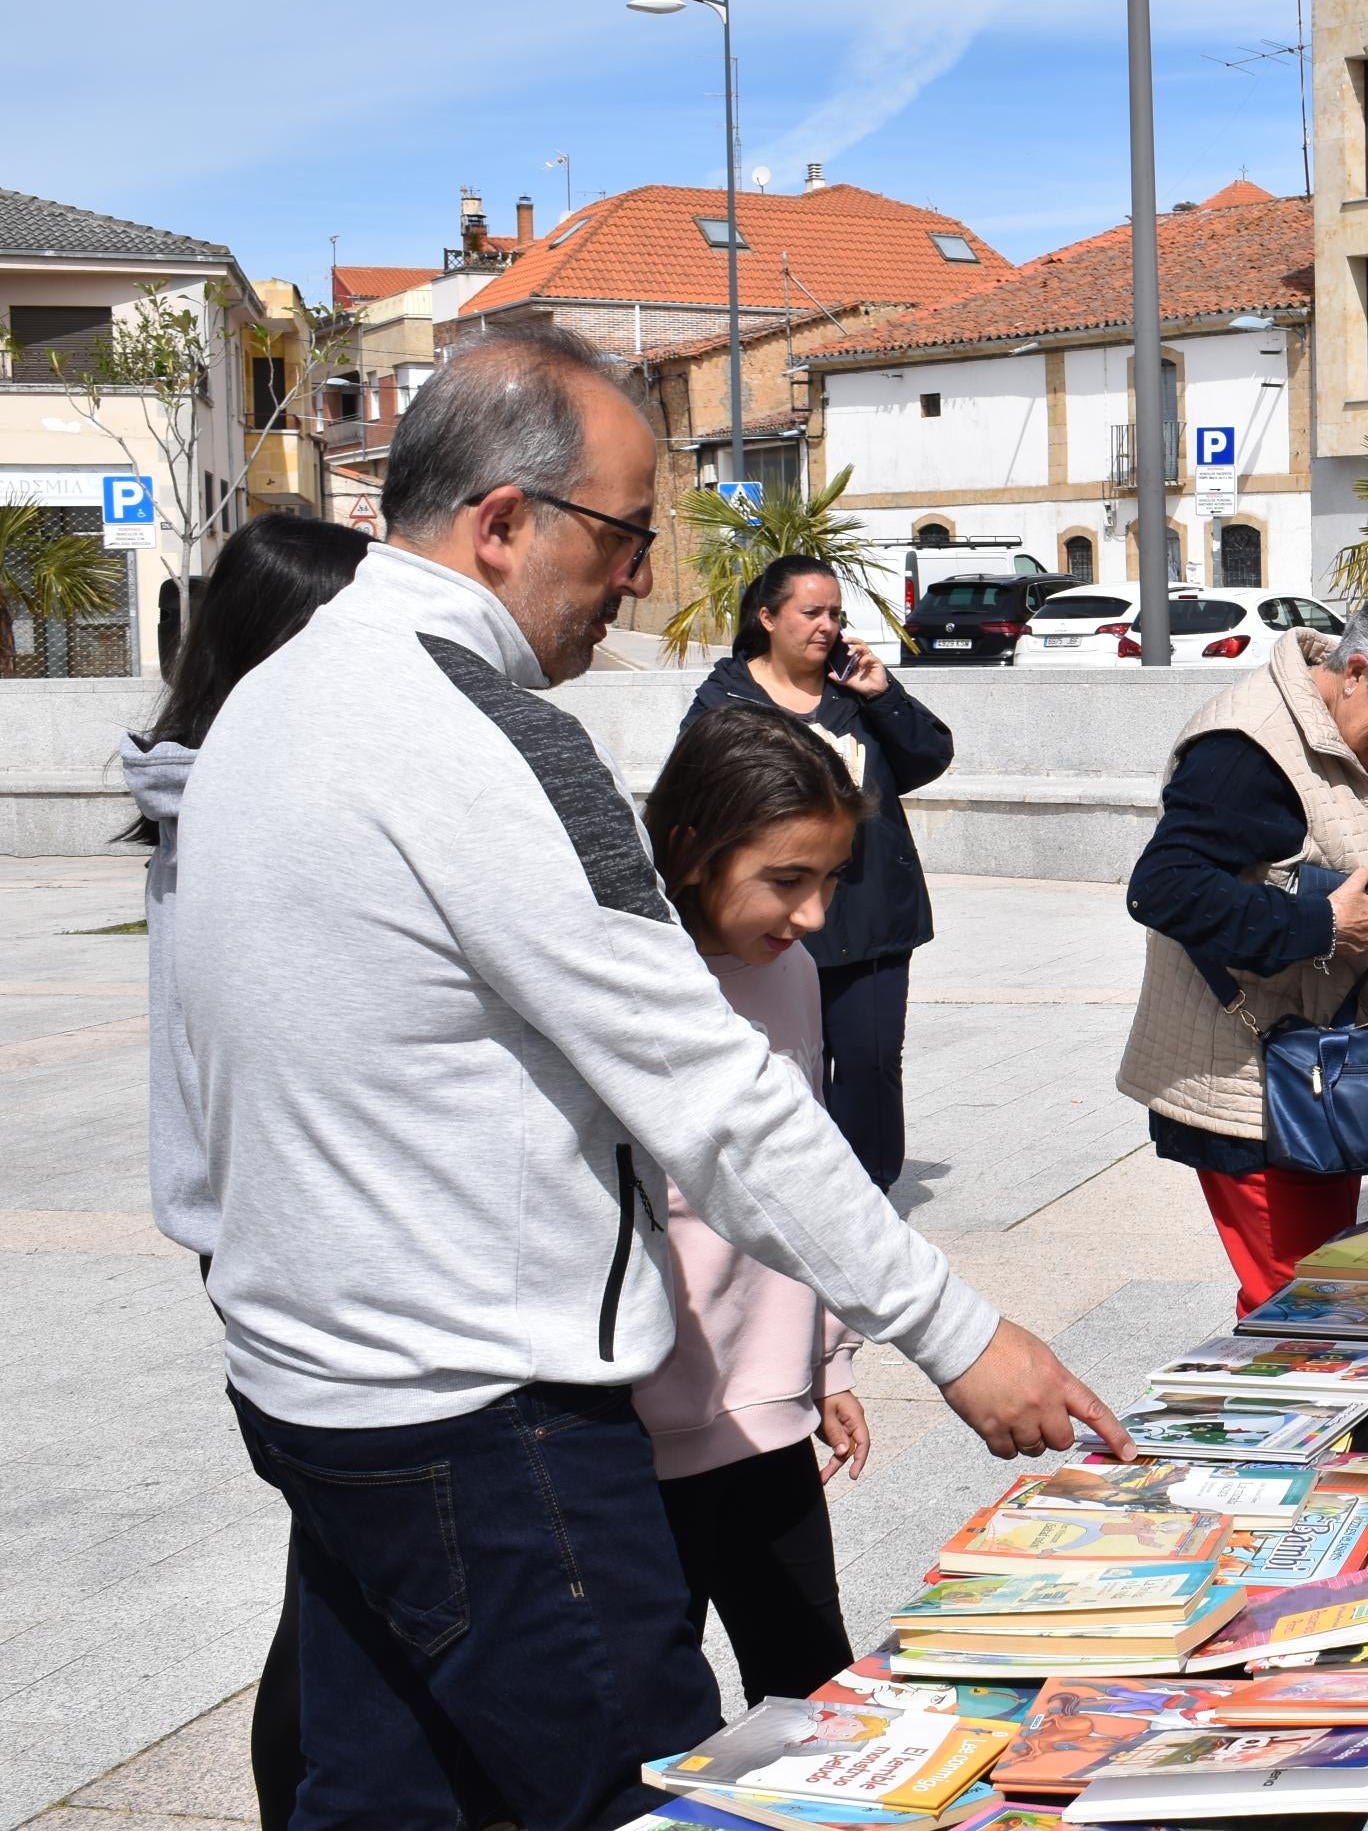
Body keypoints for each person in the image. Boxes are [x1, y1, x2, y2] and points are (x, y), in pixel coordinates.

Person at [177, 323, 1127, 1831]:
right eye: (621, 534)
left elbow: (196, 1111)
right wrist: (959, 1332)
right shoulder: (492, 739)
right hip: (483, 1415)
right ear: (502, 524)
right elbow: (717, 1089)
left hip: (310, 1387)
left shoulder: (268, 704)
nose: (636, 577)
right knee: (647, 1790)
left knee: (384, 1797)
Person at [120, 511, 370, 1831]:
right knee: (341, 1566)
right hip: (276, 1222)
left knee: (338, 1565)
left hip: (263, 1219)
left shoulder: (204, 789)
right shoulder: (226, 806)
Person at [1118, 579, 1368, 1314]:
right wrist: (1319, 928)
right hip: (1252, 1088)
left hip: (1326, 1078)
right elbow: (1161, 890)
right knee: (1299, 1305)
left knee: (1321, 1289)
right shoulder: (1244, 750)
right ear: (1358, 672)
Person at [638, 705, 893, 1703]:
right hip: (637, 1432)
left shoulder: (789, 971)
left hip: (768, 1414)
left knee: (809, 1686)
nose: (816, 914)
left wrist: (824, 1355)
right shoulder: (622, 982)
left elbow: (810, 1173)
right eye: (788, 879)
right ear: (694, 846)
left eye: (830, 878)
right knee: (649, 1709)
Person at [684, 556, 954, 1193]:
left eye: (835, 613)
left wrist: (882, 694)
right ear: (768, 617)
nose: (827, 627)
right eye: (812, 613)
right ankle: (796, 1193)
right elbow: (695, 790)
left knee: (869, 1063)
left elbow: (929, 756)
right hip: (770, 923)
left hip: (870, 914)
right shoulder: (725, 699)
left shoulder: (854, 692)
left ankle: (869, 1197)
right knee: (780, 1066)